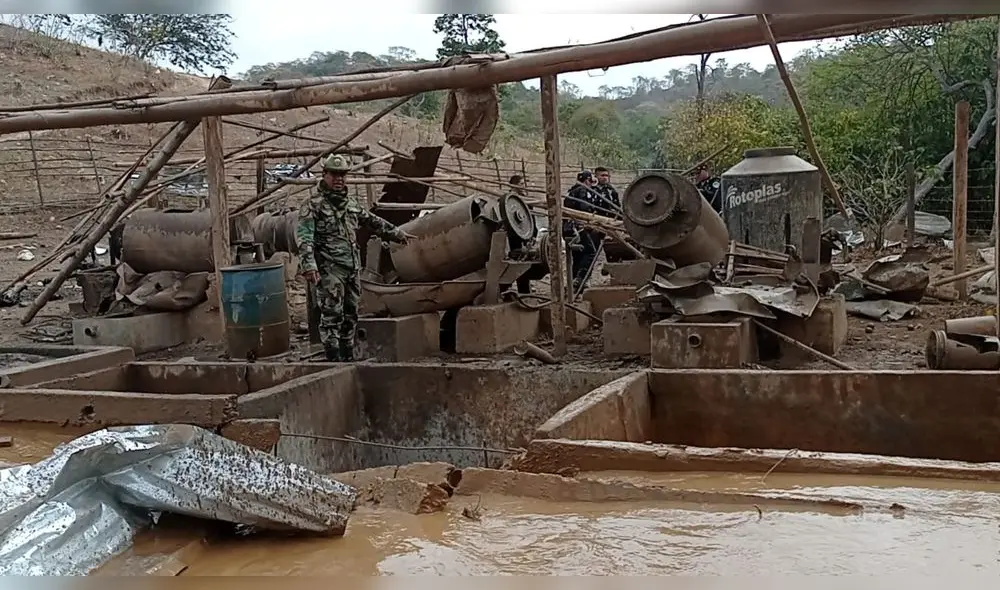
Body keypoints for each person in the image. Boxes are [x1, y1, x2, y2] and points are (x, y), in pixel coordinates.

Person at [296, 154, 413, 362]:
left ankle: (348, 355)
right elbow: (304, 237)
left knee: (351, 313)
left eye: (342, 175)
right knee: (332, 314)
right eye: (334, 175)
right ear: (325, 175)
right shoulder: (312, 205)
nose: (339, 179)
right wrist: (309, 265)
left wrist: (398, 234)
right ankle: (333, 358)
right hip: (330, 268)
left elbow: (372, 221)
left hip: (351, 267)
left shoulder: (350, 204)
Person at [563, 170, 602, 294]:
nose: (592, 183)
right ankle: (581, 279)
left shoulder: (571, 192)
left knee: (577, 256)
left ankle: (573, 285)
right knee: (591, 252)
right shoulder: (583, 191)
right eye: (591, 181)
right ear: (586, 181)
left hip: (567, 228)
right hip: (577, 228)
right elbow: (585, 208)